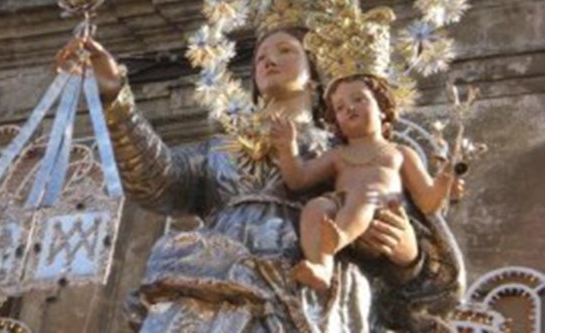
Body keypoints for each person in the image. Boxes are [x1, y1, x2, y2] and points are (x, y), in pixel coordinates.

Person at [58, 29, 464, 332]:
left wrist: (409, 256)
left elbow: (423, 265)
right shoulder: (219, 149)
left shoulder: (348, 151)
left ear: (316, 74)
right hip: (215, 279)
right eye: (259, 57)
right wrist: (115, 98)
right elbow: (154, 180)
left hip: (312, 293)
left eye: (286, 50)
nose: (268, 60)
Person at [270, 74, 460, 292]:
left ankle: (340, 237)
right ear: (336, 123)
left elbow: (427, 201)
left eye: (359, 99)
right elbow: (298, 180)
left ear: (382, 108)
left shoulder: (400, 153)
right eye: (340, 107)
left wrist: (446, 180)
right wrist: (287, 149)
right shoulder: (338, 155)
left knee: (366, 193)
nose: (349, 107)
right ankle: (322, 266)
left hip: (383, 208)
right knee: (315, 207)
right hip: (342, 206)